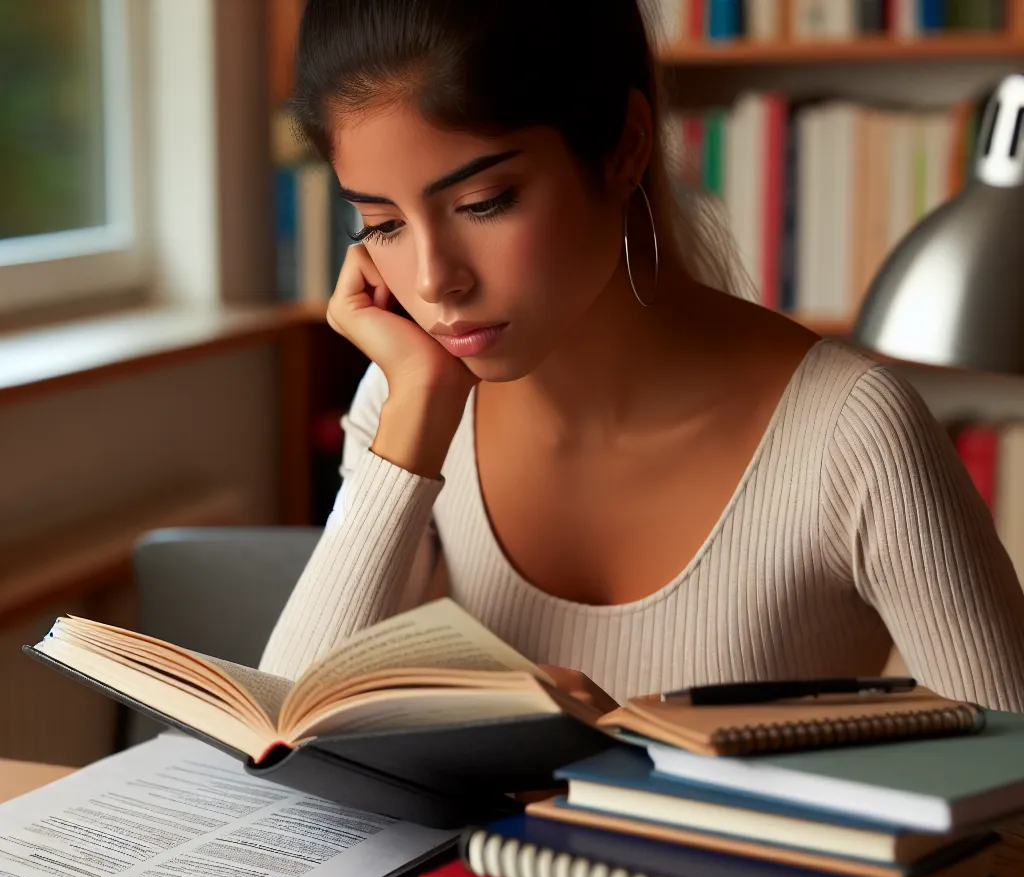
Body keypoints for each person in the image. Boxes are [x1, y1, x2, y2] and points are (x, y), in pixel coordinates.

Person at [259, 0, 1024, 713]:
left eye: (484, 203)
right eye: (381, 224)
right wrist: (412, 427)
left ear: (624, 145)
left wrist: (628, 752)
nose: (434, 282)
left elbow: (1011, 808)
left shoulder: (853, 435)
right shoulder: (409, 403)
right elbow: (284, 738)